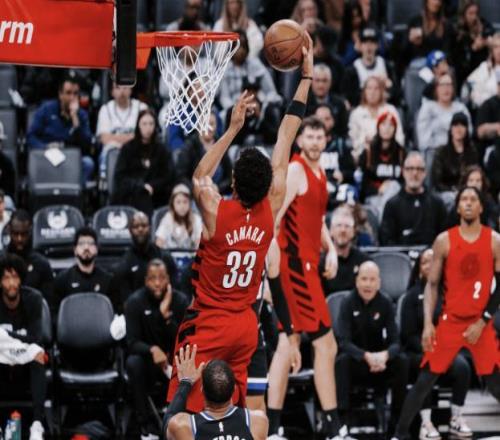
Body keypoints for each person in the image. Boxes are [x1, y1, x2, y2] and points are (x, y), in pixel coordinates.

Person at [166, 36, 315, 415]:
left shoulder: (217, 211)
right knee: (232, 415)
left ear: (232, 182)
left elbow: (200, 176)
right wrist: (306, 78)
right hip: (246, 326)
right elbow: (287, 133)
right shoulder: (271, 207)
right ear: (268, 185)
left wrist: (232, 128)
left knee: (181, 414)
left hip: (210, 323)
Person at [391, 186, 500, 440]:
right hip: (450, 322)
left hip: (479, 323)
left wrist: (483, 321)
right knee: (425, 379)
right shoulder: (444, 240)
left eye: (473, 199)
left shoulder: (494, 241)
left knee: (494, 381)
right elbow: (431, 285)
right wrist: (428, 324)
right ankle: (399, 434)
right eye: (464, 199)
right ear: (458, 207)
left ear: (481, 207)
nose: (469, 203)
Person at [275, 114, 348, 440]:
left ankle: (273, 427)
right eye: (310, 137)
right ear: (300, 140)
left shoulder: (319, 173)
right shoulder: (295, 170)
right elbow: (274, 216)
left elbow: (315, 221)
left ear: (326, 140)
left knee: (288, 344)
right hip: (293, 267)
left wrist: (330, 250)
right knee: (324, 344)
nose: (315, 142)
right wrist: (270, 268)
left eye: (320, 137)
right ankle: (332, 427)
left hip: (306, 266)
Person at [401, 248, 472, 440]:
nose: (430, 265)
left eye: (434, 261)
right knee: (428, 367)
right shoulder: (411, 297)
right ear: (419, 268)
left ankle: (456, 417)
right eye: (425, 262)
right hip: (419, 351)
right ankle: (426, 422)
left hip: (446, 350)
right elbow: (407, 335)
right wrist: (429, 348)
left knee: (463, 366)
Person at [336, 261, 409, 429]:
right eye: (364, 279)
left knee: (402, 361)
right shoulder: (347, 302)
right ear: (357, 281)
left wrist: (385, 355)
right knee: (341, 362)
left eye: (372, 279)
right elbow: (343, 341)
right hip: (358, 361)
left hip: (380, 362)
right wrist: (365, 356)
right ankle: (342, 422)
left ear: (379, 283)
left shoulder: (385, 303)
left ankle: (397, 420)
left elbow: (396, 341)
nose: (368, 284)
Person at [125, 259, 188, 440]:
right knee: (133, 362)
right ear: (146, 280)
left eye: (162, 278)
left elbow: (185, 338)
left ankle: (186, 425)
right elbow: (132, 342)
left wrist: (165, 318)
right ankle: (146, 427)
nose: (158, 283)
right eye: (153, 278)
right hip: (148, 364)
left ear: (169, 278)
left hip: (175, 362)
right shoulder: (135, 302)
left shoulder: (180, 301)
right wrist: (152, 349)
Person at [164, 345, 268, 440]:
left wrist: (185, 382)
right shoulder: (257, 421)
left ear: (202, 390)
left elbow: (167, 423)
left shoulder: (184, 427)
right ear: (234, 389)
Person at [0, 254, 47, 440]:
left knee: (39, 355)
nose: (11, 283)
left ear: (21, 279)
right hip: (2, 355)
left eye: (15, 277)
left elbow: (36, 339)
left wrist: (5, 336)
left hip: (25, 356)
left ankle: (37, 423)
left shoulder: (33, 298)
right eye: (6, 278)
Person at [26, 75, 94, 183]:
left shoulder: (81, 115)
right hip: (48, 155)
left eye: (75, 93)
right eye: (68, 93)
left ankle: (75, 191)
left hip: (71, 157)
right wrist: (45, 147)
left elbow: (87, 144)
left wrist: (75, 119)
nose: (72, 97)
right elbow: (31, 137)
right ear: (60, 94)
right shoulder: (46, 109)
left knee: (88, 163)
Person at [112, 109, 175, 216]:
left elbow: (168, 176)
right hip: (131, 194)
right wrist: (140, 186)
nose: (148, 128)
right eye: (144, 124)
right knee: (141, 195)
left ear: (155, 126)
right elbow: (120, 177)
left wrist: (152, 186)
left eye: (151, 124)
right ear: (138, 125)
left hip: (157, 194)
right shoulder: (127, 149)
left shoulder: (162, 149)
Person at [380, 152, 447, 246]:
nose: (415, 173)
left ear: (425, 173)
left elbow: (445, 238)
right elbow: (387, 241)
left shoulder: (437, 203)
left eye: (419, 169)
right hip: (400, 254)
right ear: (403, 172)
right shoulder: (392, 205)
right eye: (410, 169)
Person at [114, 212, 177, 310]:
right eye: (136, 226)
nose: (140, 229)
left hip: (164, 308)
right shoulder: (125, 263)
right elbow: (126, 300)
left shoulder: (164, 257)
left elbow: (175, 290)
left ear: (150, 228)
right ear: (130, 230)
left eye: (144, 226)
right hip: (137, 312)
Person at [218, 30, 281, 114]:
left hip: (257, 106)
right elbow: (224, 98)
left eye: (243, 46)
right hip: (235, 109)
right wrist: (236, 109)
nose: (241, 51)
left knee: (272, 110)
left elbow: (271, 92)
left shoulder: (255, 64)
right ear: (231, 49)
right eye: (238, 47)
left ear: (247, 47)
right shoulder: (225, 69)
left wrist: (262, 104)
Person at [53, 226, 114, 312]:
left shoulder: (108, 280)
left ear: (96, 249)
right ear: (75, 250)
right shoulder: (62, 280)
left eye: (90, 243)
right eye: (81, 244)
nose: (86, 247)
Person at [96, 82, 147, 178]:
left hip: (137, 151)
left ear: (131, 89)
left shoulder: (141, 107)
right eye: (117, 88)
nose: (122, 91)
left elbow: (145, 136)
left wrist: (115, 138)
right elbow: (105, 139)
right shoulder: (105, 109)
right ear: (112, 92)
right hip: (113, 152)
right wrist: (132, 137)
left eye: (125, 87)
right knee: (111, 151)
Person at [358, 111, 405, 217]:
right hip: (373, 197)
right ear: (378, 127)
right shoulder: (368, 152)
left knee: (394, 186)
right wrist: (378, 188)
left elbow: (404, 181)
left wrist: (390, 186)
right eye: (383, 124)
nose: (387, 128)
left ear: (395, 129)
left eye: (391, 125)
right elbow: (362, 182)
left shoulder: (401, 153)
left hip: (396, 197)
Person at [4, 210, 54, 307]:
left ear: (31, 231)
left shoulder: (41, 264)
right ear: (9, 230)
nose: (19, 239)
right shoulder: (1, 261)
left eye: (24, 234)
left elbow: (48, 305)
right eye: (15, 234)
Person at [176, 112, 233, 195]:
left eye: (212, 124)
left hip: (219, 193)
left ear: (216, 126)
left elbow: (230, 175)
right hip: (196, 195)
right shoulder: (189, 147)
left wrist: (218, 187)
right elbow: (181, 176)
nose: (209, 127)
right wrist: (197, 189)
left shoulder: (221, 144)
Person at [348, 76, 404, 160]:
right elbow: (352, 140)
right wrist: (364, 141)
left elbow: (399, 137)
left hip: (389, 155)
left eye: (376, 89)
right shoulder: (356, 113)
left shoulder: (390, 110)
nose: (372, 92)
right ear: (364, 91)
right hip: (363, 155)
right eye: (369, 88)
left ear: (382, 91)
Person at [431, 112, 479, 209]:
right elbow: (437, 181)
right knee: (451, 199)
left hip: (469, 191)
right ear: (451, 129)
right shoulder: (441, 152)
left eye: (462, 125)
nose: (459, 128)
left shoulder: (472, 152)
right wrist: (453, 190)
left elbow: (475, 174)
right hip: (446, 193)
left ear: (466, 129)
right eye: (455, 125)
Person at [342, 26, 396, 107]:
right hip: (361, 109)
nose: (368, 46)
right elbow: (349, 97)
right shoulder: (352, 70)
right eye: (365, 43)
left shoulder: (386, 66)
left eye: (372, 42)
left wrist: (390, 86)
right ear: (359, 46)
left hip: (384, 107)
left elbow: (397, 94)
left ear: (377, 45)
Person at [321, 205, 370, 295]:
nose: (343, 230)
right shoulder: (320, 263)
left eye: (347, 226)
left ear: (354, 232)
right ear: (330, 231)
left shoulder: (364, 262)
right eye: (338, 225)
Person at [416, 74, 472, 152]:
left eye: (449, 85)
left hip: (458, 151)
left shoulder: (461, 108)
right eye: (442, 85)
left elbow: (469, 132)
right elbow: (423, 141)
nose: (446, 89)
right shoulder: (427, 108)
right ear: (436, 88)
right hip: (434, 152)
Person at [315, 104, 355, 209]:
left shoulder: (341, 144)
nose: (322, 122)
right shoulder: (307, 145)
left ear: (333, 121)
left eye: (327, 118)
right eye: (319, 119)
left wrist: (343, 175)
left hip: (337, 191)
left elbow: (352, 172)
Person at [400, 0, 455, 69]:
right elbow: (404, 51)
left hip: (439, 63)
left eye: (439, 0)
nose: (436, 2)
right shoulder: (416, 22)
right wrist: (410, 41)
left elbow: (448, 51)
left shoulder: (446, 25)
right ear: (426, 1)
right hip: (419, 63)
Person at [452, 0, 492, 88]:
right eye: (470, 13)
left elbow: (492, 36)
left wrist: (488, 42)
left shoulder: (483, 24)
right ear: (463, 14)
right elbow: (457, 58)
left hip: (482, 68)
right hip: (464, 70)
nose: (474, 17)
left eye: (476, 13)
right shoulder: (456, 29)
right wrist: (473, 48)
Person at [155, 184, 203, 250]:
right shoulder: (167, 219)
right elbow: (159, 242)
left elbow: (199, 243)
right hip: (169, 255)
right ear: (173, 204)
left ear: (190, 203)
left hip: (190, 255)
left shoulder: (196, 219)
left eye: (185, 202)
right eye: (178, 202)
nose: (182, 206)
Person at [306, 64, 349, 137]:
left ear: (330, 82)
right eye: (317, 80)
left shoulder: (339, 104)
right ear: (311, 81)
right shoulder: (304, 103)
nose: (321, 85)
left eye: (324, 80)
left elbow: (344, 131)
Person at [466, 32, 500, 108]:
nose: (499, 50)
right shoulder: (484, 67)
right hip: (486, 109)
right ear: (492, 50)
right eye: (496, 47)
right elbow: (474, 92)